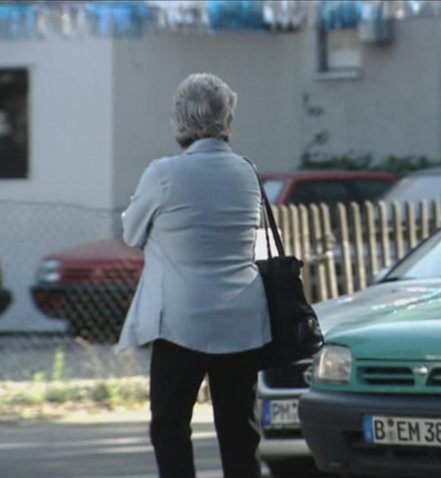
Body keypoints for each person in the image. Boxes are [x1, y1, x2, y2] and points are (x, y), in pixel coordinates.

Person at [117, 73, 271, 478]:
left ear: (180, 119)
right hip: (241, 320)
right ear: (227, 117)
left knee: (170, 426)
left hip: (181, 322)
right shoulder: (247, 172)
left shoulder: (163, 174)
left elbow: (132, 232)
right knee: (240, 432)